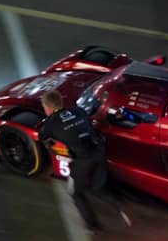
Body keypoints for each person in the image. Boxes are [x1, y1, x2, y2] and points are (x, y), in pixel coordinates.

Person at [38, 90, 131, 233]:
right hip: (99, 152)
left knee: (76, 193)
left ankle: (93, 226)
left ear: (48, 107)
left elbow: (45, 140)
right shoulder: (78, 110)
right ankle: (121, 206)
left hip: (82, 160)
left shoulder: (49, 125)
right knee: (97, 187)